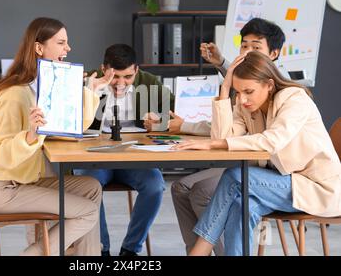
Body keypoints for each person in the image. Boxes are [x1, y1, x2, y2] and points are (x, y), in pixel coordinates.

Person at [0, 17, 114, 256]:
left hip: (21, 181)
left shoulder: (37, 88)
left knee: (91, 187)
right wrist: (30, 135)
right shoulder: (14, 93)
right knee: (87, 211)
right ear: (39, 48)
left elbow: (71, 126)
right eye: (61, 43)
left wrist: (92, 90)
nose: (68, 49)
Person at [173, 51, 341, 256]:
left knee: (235, 177)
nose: (243, 99)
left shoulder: (295, 99)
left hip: (317, 187)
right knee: (241, 205)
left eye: (249, 91)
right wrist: (224, 91)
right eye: (238, 91)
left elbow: (273, 140)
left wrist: (215, 144)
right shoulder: (247, 105)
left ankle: (199, 251)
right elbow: (224, 136)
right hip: (285, 181)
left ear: (269, 84)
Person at [169, 17, 286, 255]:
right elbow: (223, 131)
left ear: (273, 53)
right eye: (244, 46)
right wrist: (224, 82)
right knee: (181, 187)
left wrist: (215, 140)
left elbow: (266, 140)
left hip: (279, 174)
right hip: (250, 166)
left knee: (214, 187)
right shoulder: (246, 97)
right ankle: (196, 250)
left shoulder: (285, 93)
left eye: (256, 47)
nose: (248, 52)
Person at [75, 44, 174, 256]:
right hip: (96, 159)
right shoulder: (88, 82)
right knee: (87, 186)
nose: (121, 84)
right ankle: (100, 249)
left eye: (128, 77)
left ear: (136, 70)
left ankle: (130, 250)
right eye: (115, 77)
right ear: (104, 69)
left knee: (155, 186)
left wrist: (159, 122)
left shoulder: (150, 83)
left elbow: (176, 116)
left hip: (134, 159)